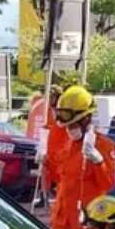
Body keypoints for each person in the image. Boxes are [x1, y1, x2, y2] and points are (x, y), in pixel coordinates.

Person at [52, 85, 115, 229]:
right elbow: (60, 175)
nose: (69, 128)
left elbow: (109, 183)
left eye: (73, 124)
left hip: (88, 220)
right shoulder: (68, 143)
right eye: (67, 125)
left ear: (85, 119)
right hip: (63, 217)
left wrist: (98, 161)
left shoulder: (103, 145)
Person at [40, 85, 67, 213]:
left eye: (51, 96)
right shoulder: (49, 110)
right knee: (44, 170)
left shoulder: (62, 110)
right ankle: (44, 196)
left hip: (60, 147)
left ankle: (57, 197)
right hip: (50, 144)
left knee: (60, 174)